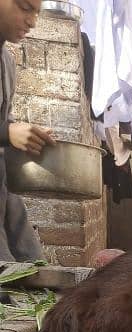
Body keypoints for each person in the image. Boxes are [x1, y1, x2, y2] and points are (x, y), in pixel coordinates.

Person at [0, 0, 55, 264]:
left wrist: (25, 133)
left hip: (3, 190)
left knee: (31, 269)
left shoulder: (6, 63)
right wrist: (6, 132)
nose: (32, 21)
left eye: (37, 12)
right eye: (24, 7)